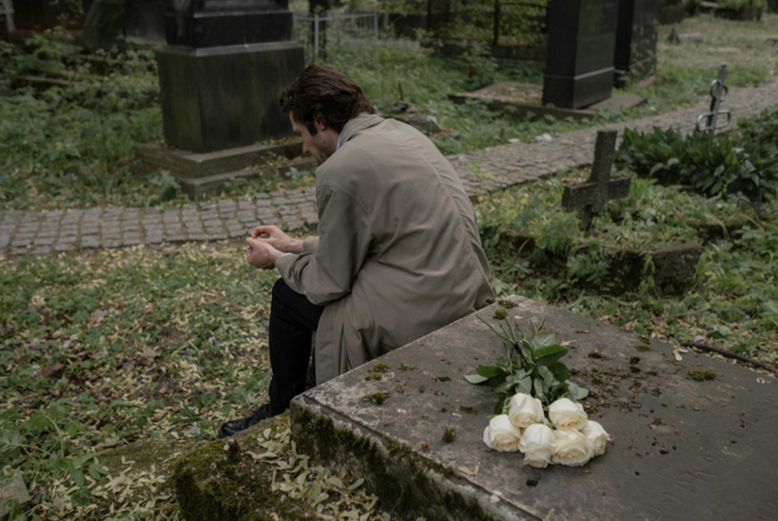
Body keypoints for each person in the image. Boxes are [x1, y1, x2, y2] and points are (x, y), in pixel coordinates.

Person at [218, 65, 494, 438]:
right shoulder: (399, 132)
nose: (303, 147)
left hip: (424, 310)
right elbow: (384, 236)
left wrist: (277, 261)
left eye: (301, 134)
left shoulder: (340, 168)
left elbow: (327, 283)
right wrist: (296, 245)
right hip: (462, 291)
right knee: (307, 281)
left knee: (287, 294)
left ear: (319, 120)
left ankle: (282, 407)